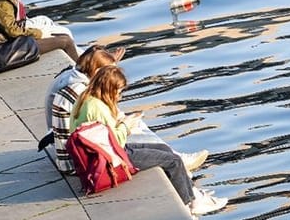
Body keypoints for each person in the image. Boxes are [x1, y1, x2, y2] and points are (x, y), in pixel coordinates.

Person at [69, 64, 227, 214]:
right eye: (118, 91)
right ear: (109, 88)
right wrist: (126, 125)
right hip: (112, 159)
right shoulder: (98, 108)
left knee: (165, 150)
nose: (119, 96)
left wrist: (121, 124)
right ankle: (188, 204)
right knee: (174, 162)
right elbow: (114, 143)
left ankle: (194, 194)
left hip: (105, 154)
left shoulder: (87, 98)